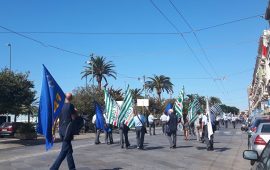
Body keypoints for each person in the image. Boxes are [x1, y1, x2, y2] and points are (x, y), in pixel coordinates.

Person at [50, 93, 76, 170]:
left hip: (61, 131)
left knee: (69, 151)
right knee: (64, 151)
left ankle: (72, 168)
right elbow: (74, 118)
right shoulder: (71, 106)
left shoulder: (59, 107)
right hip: (67, 131)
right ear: (71, 98)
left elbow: (55, 120)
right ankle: (53, 168)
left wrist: (53, 133)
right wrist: (75, 112)